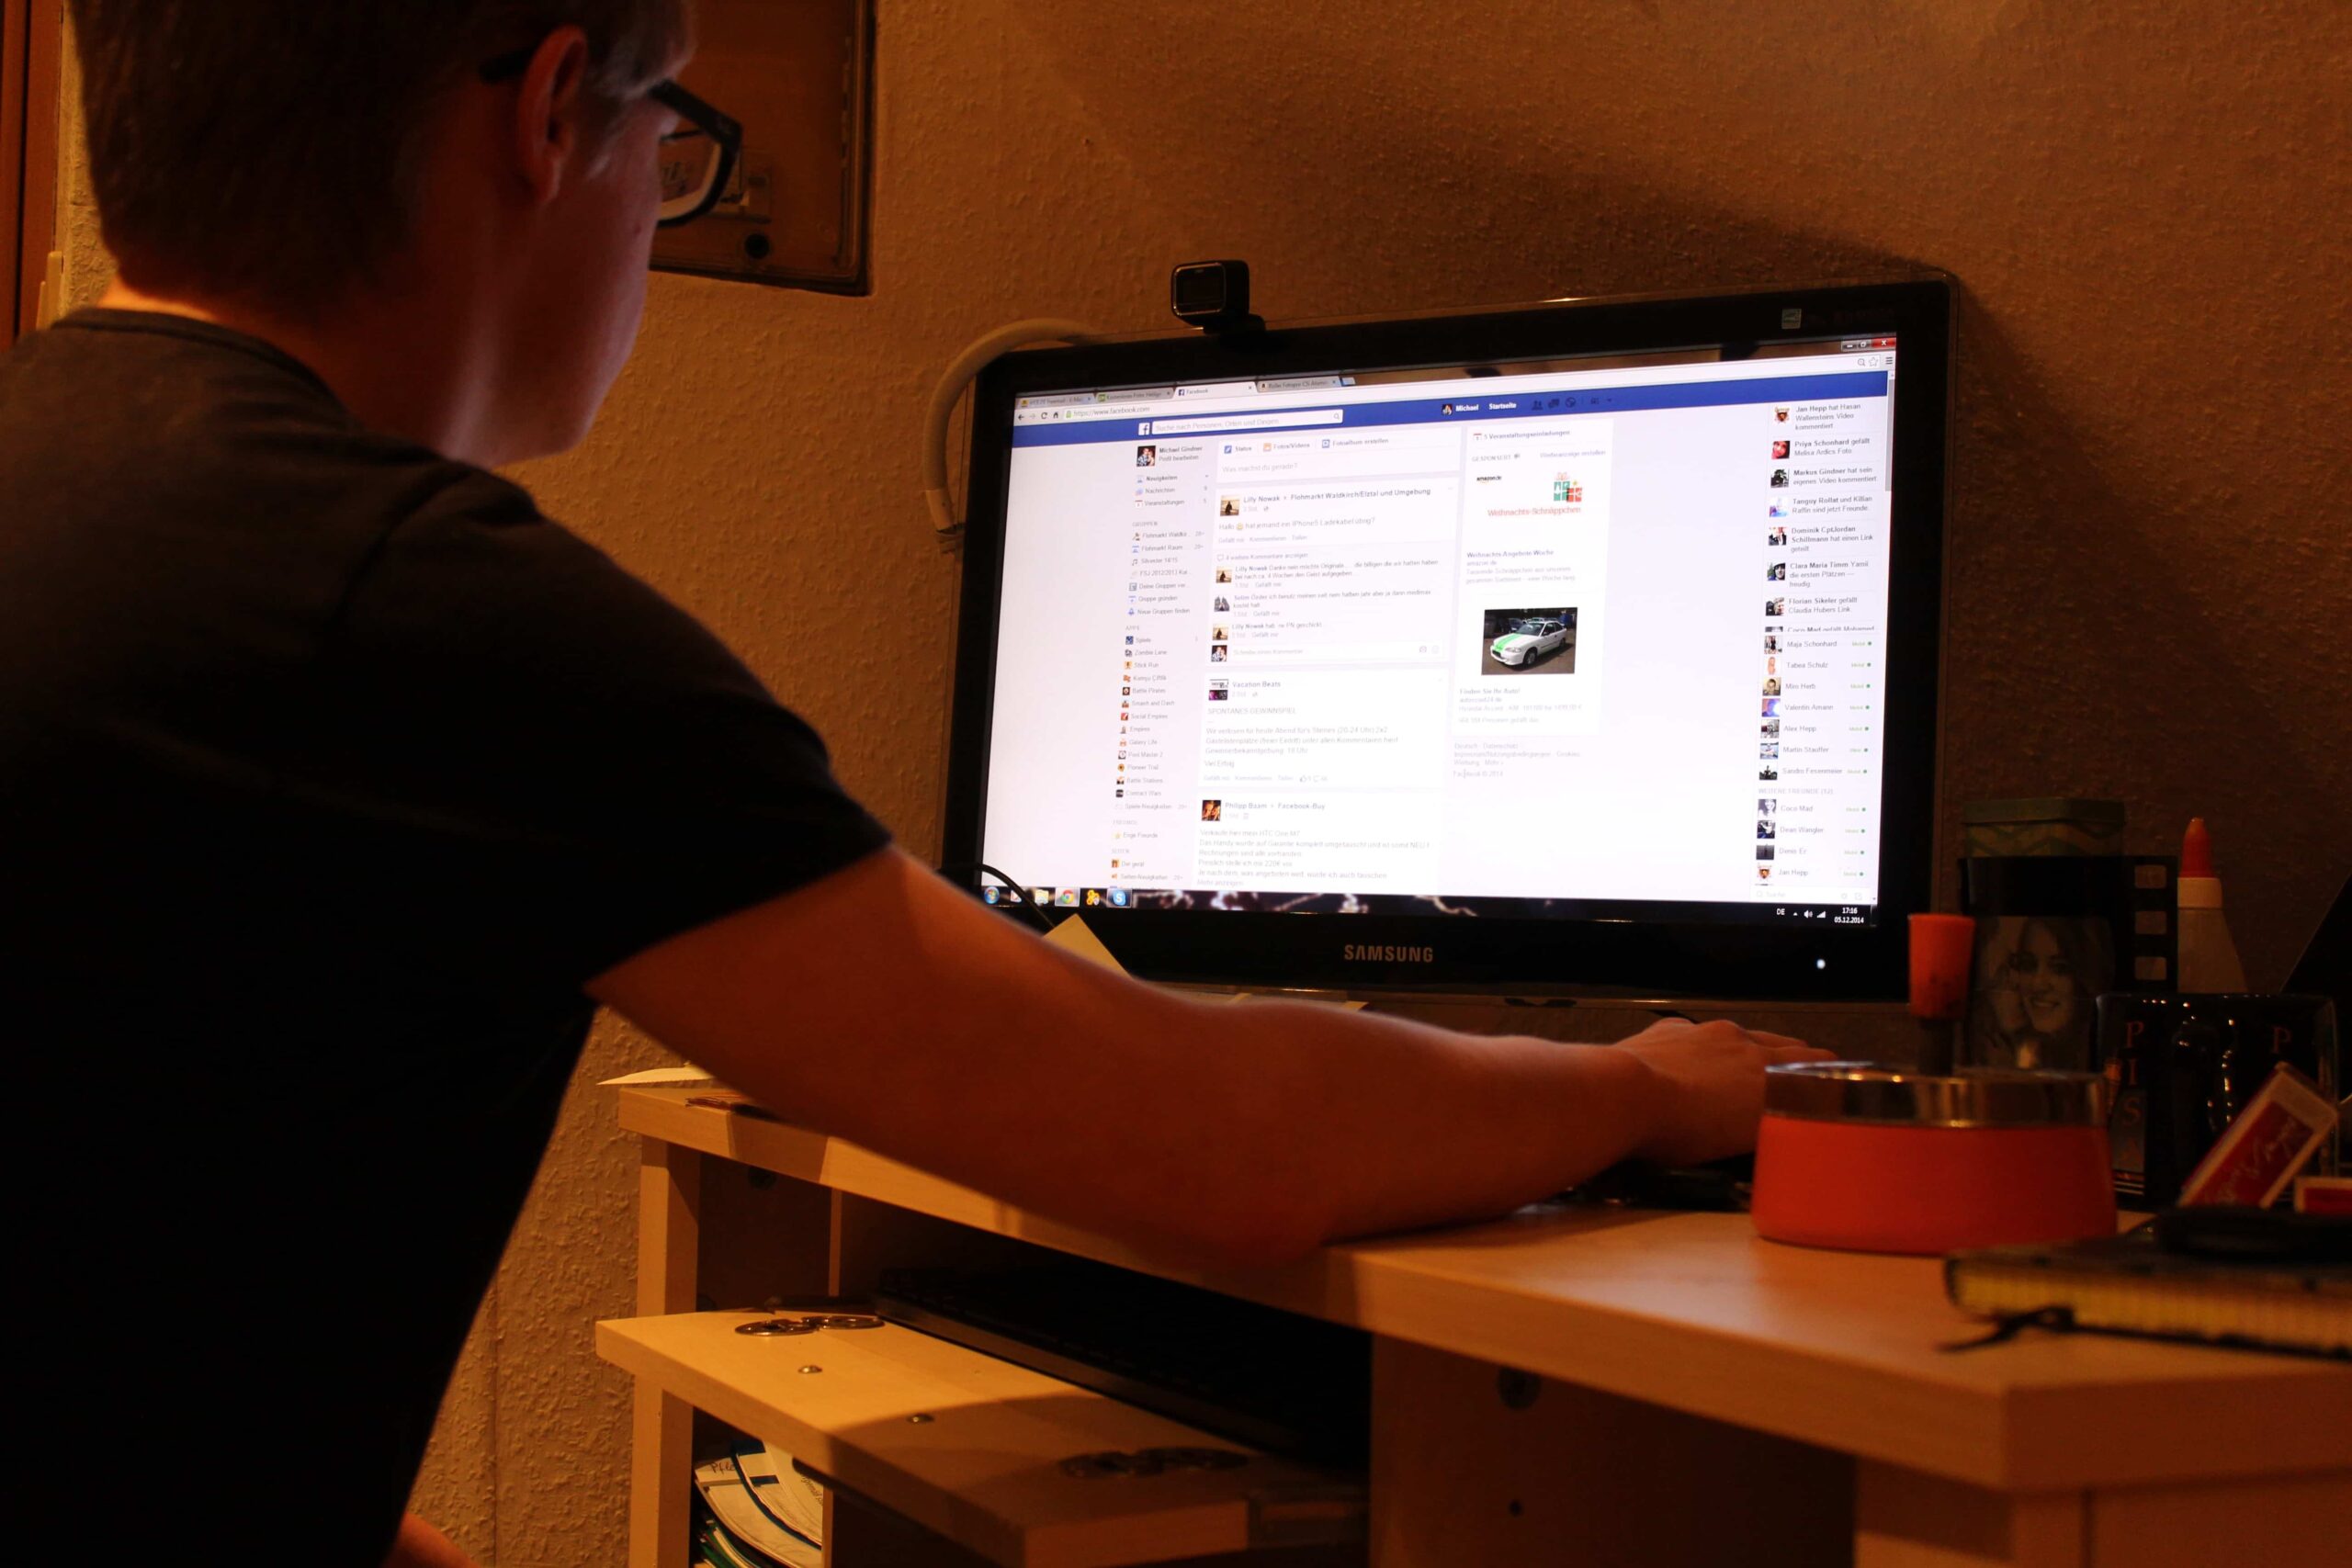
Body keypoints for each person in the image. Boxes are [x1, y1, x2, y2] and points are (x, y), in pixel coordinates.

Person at [0, 6, 1824, 1565]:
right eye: (673, 143)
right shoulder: (422, 613)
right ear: (553, 116)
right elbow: (1213, 1147)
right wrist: (1637, 1084)